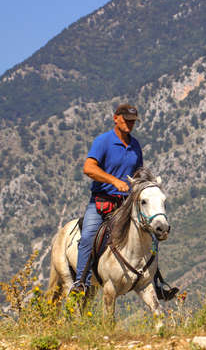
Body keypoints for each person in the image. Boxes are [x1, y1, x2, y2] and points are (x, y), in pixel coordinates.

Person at [70, 104, 178, 301]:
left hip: (126, 204)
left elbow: (139, 174)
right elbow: (88, 168)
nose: (130, 124)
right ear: (116, 118)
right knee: (88, 236)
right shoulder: (103, 141)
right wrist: (113, 181)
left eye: (133, 121)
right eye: (127, 120)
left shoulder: (135, 145)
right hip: (102, 202)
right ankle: (81, 283)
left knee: (151, 236)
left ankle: (156, 282)